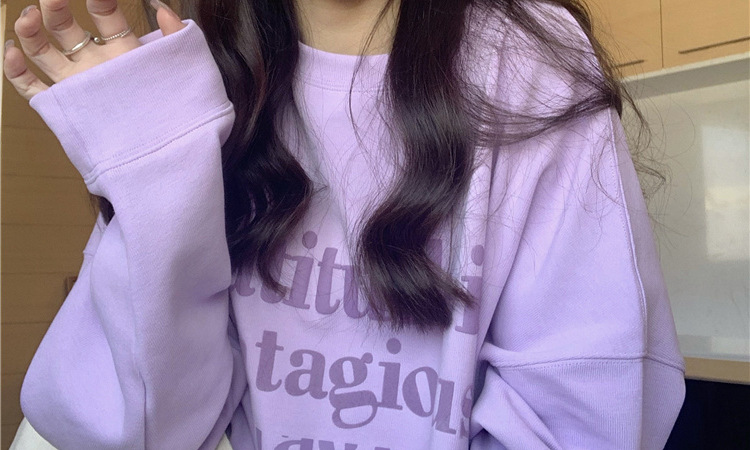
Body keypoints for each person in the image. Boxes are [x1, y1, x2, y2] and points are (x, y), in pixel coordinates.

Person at [4, 0, 686, 448]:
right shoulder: (201, 76)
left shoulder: (531, 58)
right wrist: (152, 172)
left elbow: (590, 416)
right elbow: (155, 431)